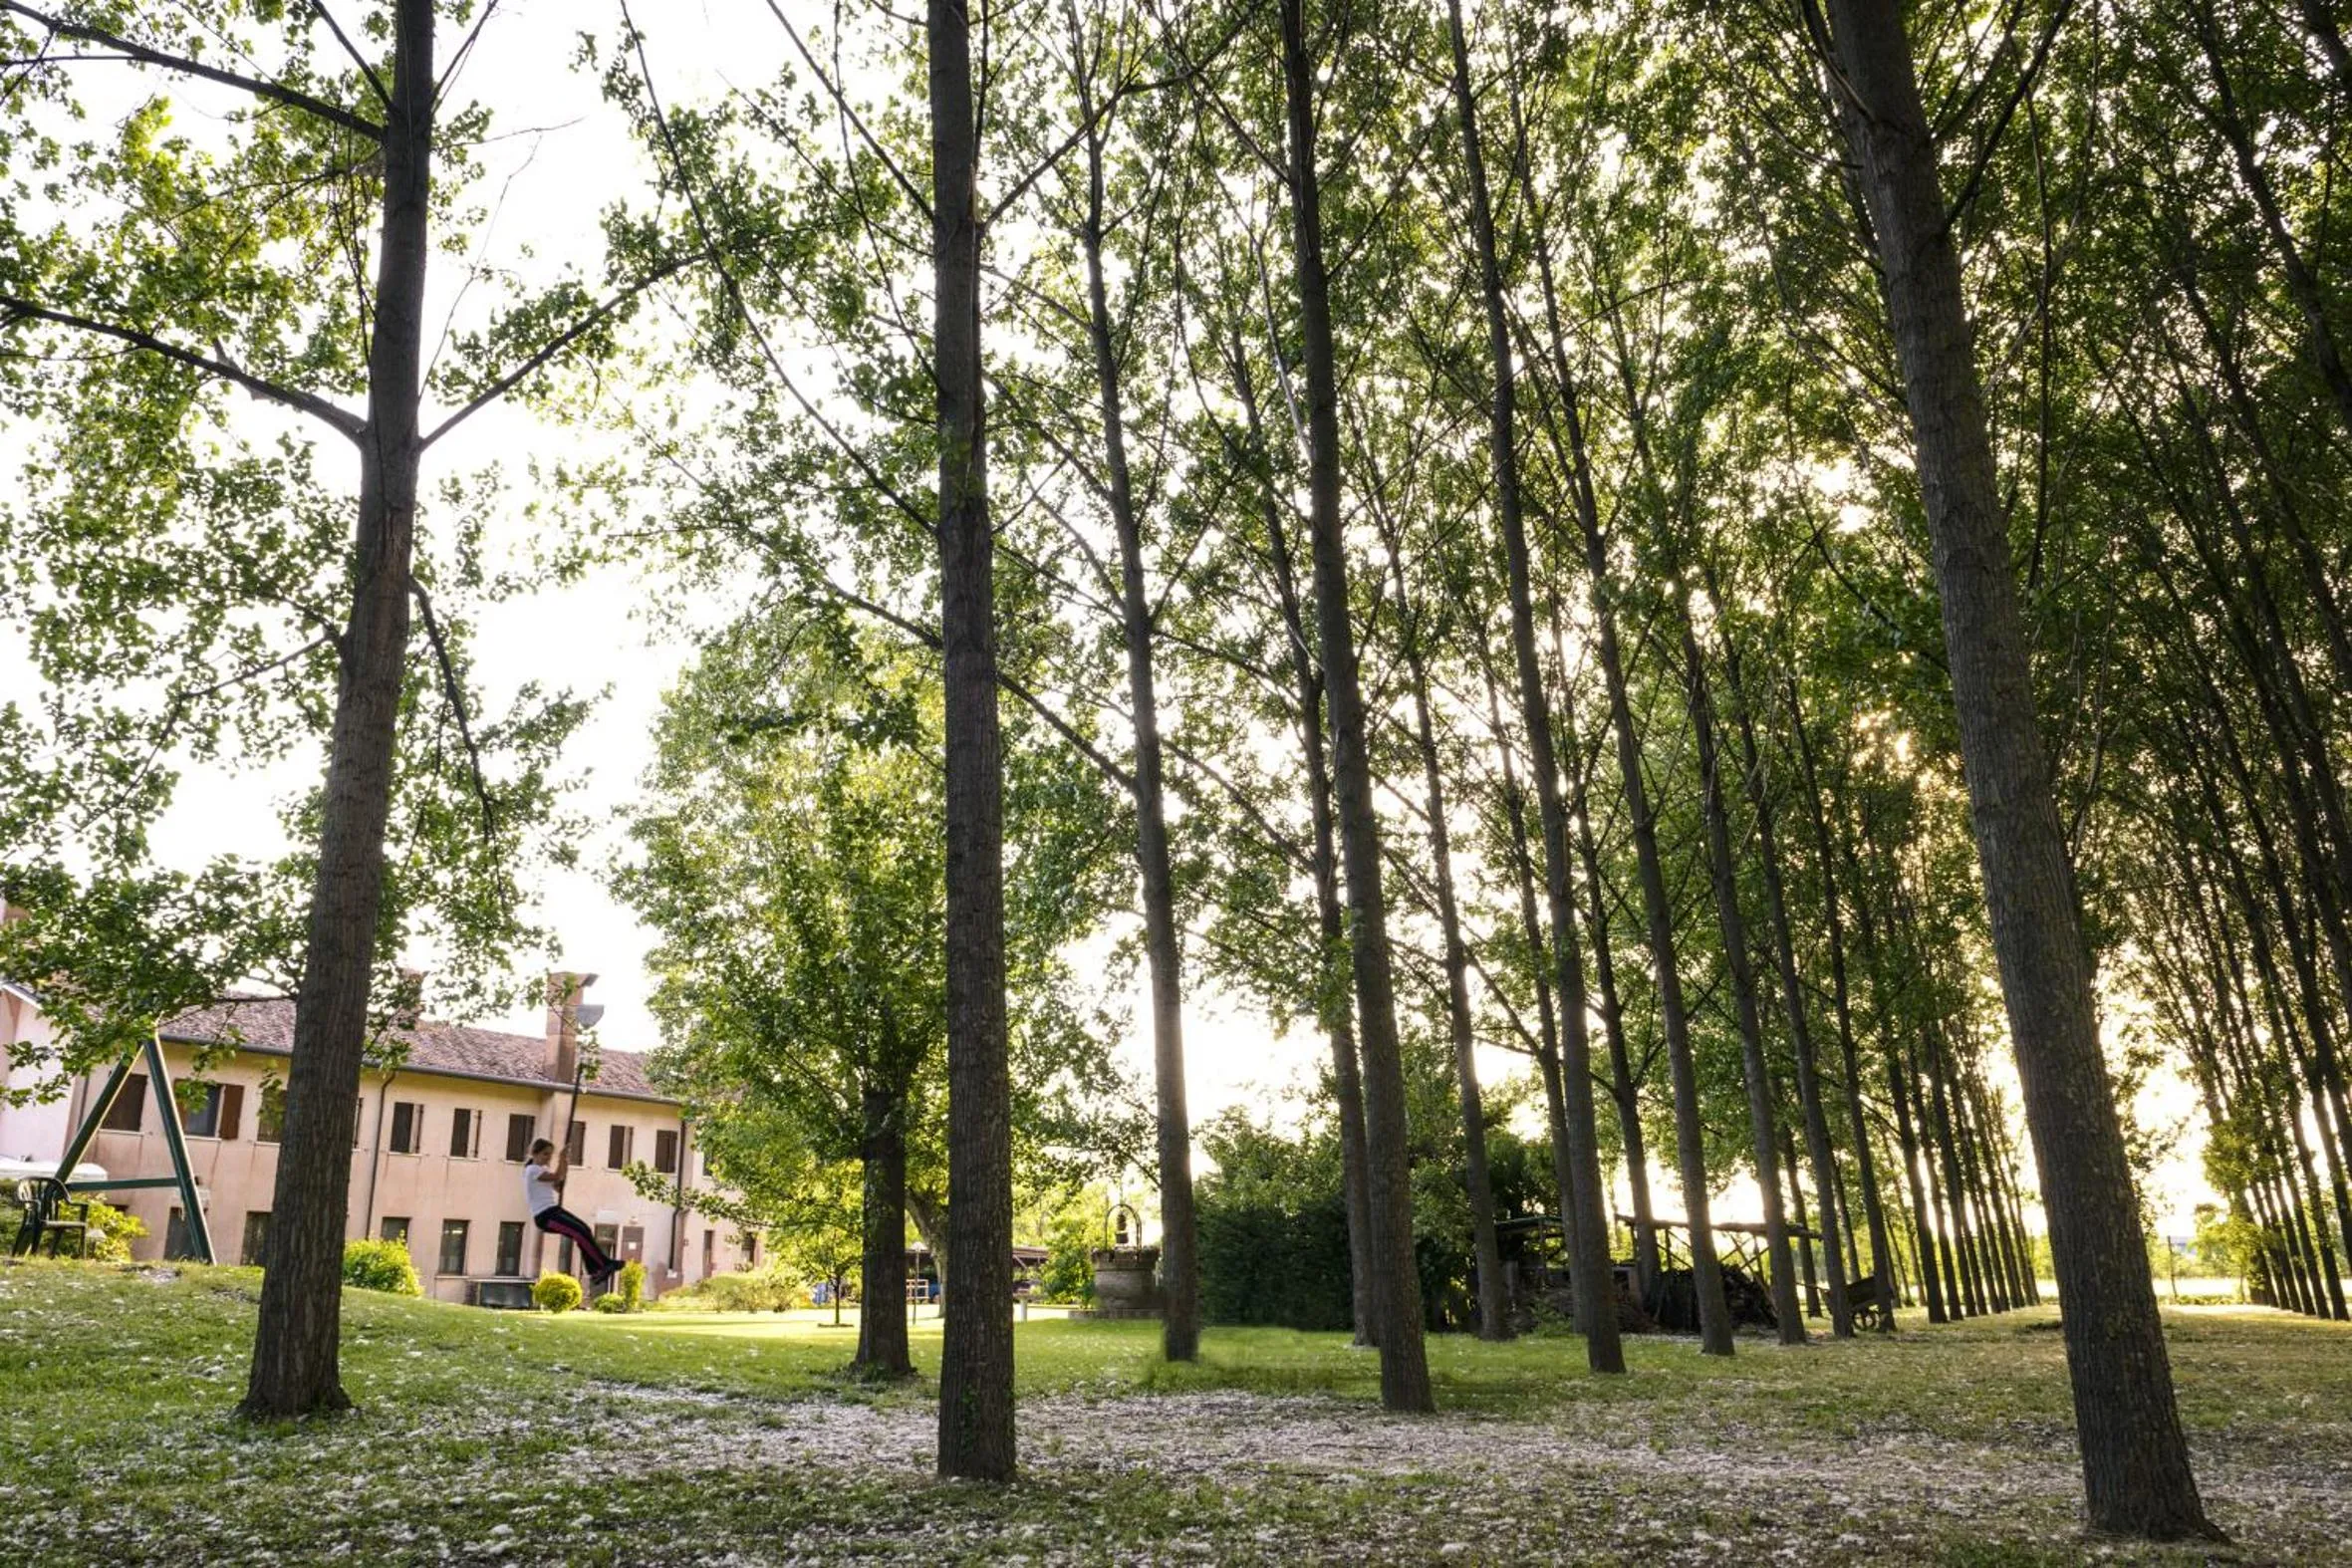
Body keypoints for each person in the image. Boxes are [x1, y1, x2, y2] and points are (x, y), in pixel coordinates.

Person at [523, 1137, 619, 1285]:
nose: (548, 1157)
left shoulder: (543, 1170)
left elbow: (557, 1186)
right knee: (579, 1232)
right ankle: (602, 1266)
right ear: (534, 1154)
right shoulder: (532, 1170)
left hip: (553, 1210)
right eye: (545, 1154)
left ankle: (597, 1269)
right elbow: (556, 1176)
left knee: (584, 1229)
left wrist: (564, 1163)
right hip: (545, 1216)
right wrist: (561, 1160)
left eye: (550, 1154)